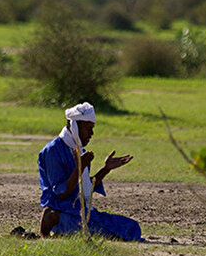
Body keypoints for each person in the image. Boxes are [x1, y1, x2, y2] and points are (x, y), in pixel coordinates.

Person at [38, 102, 141, 240]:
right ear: (74, 127)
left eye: (92, 129)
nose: (91, 133)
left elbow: (84, 188)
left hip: (79, 210)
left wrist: (106, 169)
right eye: (88, 128)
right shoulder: (52, 151)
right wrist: (80, 167)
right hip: (62, 208)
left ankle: (64, 228)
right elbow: (61, 193)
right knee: (109, 232)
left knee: (131, 227)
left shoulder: (78, 149)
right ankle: (54, 219)